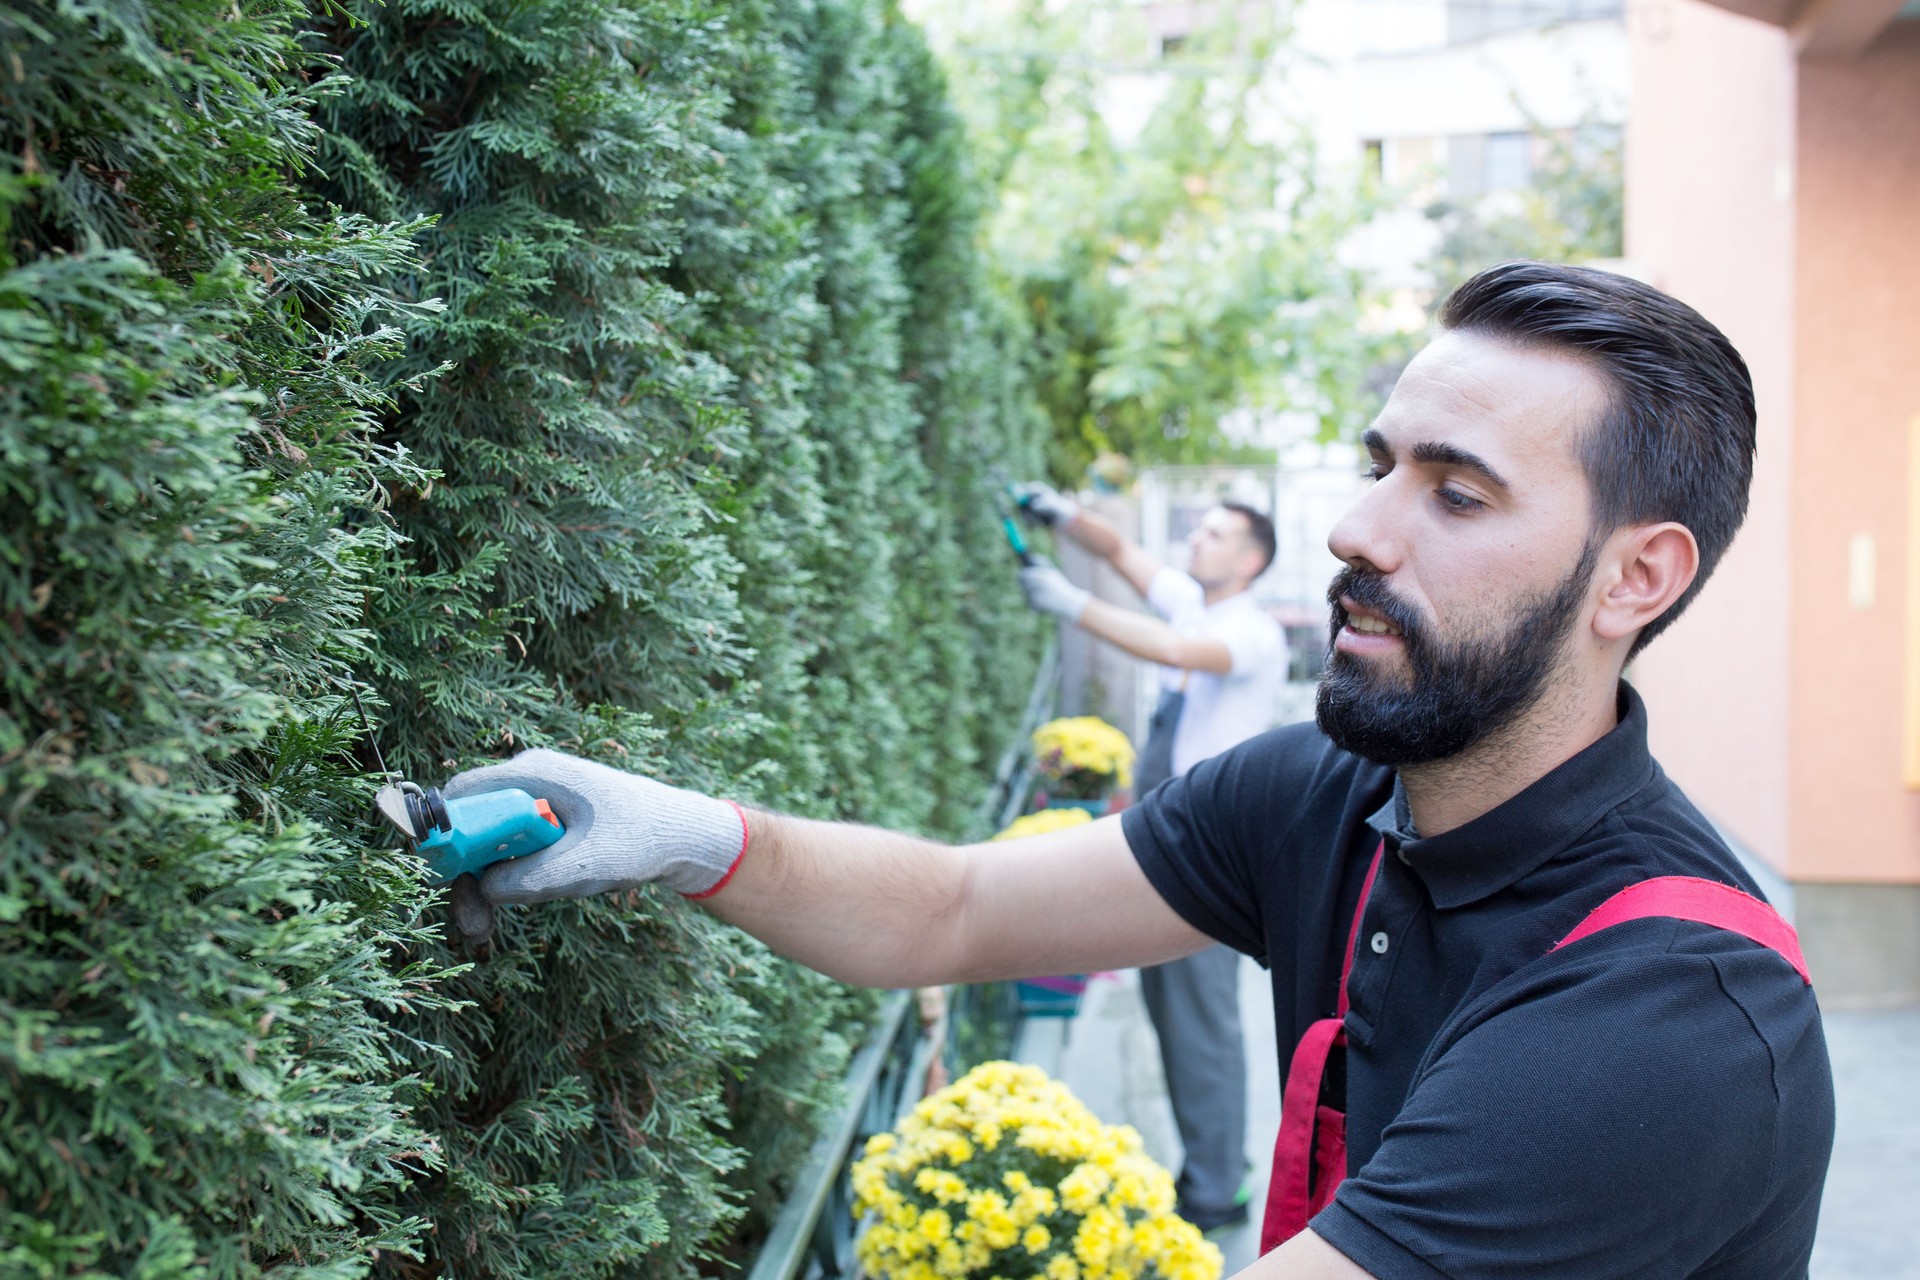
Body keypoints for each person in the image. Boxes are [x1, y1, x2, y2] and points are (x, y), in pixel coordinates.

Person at [438, 262, 1834, 1278]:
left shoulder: (1676, 1014)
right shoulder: (1322, 796)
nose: (1356, 529)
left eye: (1456, 493)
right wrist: (695, 838)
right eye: (1379, 466)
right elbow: (955, 912)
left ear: (1635, 579)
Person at [1012, 490, 1285, 1232]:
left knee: (1201, 1019)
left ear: (1251, 559)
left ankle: (1217, 1189)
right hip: (1175, 835)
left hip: (1216, 853)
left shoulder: (1251, 631)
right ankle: (1209, 1166)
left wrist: (1071, 606)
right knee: (1173, 1012)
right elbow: (1118, 552)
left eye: (1216, 533)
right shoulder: (1195, 602)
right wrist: (1057, 515)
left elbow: (1172, 651)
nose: (1197, 539)